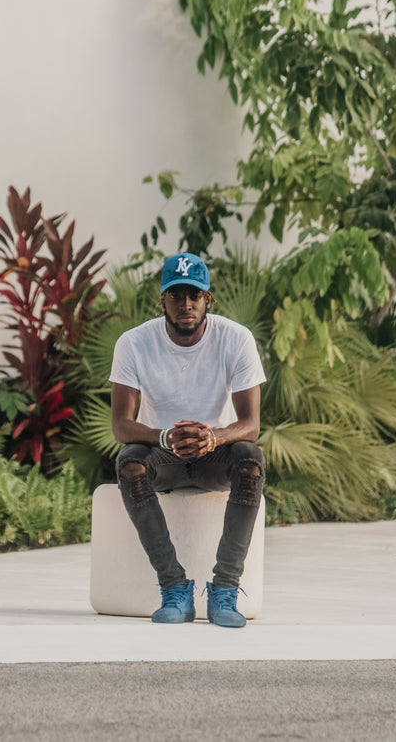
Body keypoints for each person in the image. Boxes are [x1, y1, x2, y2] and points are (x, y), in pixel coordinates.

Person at [109, 252, 267, 628]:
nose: (186, 305)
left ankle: (225, 589)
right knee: (129, 462)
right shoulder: (133, 343)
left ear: (208, 298)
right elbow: (121, 425)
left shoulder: (236, 339)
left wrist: (213, 437)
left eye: (194, 295)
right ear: (162, 300)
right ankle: (175, 588)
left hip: (215, 456)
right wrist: (164, 437)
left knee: (250, 459)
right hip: (163, 456)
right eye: (176, 295)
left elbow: (251, 423)